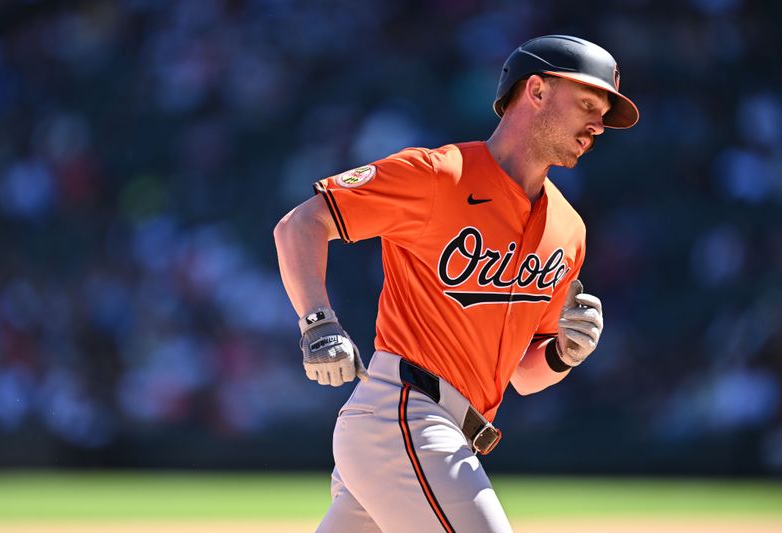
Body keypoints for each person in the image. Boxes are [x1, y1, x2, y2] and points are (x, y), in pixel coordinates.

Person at [274, 34, 639, 533]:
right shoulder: (438, 175)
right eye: (587, 104)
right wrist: (319, 324)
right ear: (535, 90)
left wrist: (564, 354)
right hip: (402, 417)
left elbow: (524, 376)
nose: (598, 125)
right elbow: (300, 225)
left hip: (448, 434)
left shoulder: (568, 228)